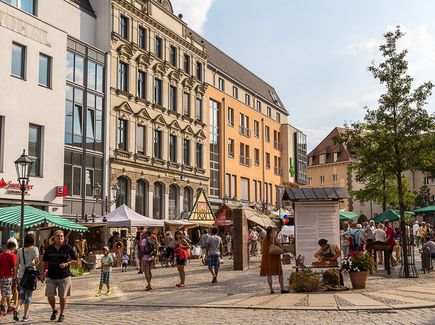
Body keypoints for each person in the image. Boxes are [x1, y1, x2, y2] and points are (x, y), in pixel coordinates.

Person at [43, 230, 77, 323]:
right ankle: (54, 310)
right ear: (54, 238)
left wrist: (67, 263)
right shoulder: (49, 248)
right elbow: (45, 261)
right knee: (50, 295)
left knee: (62, 296)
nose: (60, 237)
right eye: (58, 236)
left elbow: (75, 260)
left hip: (64, 276)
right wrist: (43, 272)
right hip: (51, 275)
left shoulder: (68, 248)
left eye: (61, 236)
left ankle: (62, 314)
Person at [14, 234, 40, 322]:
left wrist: (15, 276)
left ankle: (17, 308)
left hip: (21, 275)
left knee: (21, 294)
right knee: (28, 296)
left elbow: (16, 264)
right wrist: (35, 261)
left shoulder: (20, 250)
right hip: (30, 276)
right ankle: (25, 316)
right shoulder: (35, 249)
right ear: (33, 241)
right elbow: (37, 261)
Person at [260, 227, 288, 294]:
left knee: (269, 274)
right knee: (280, 274)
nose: (275, 232)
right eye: (274, 231)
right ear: (271, 232)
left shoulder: (264, 240)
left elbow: (263, 250)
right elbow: (281, 248)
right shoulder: (274, 239)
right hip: (275, 258)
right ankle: (282, 288)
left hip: (267, 259)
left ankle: (271, 289)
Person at [0, 241, 17, 317]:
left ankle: (9, 307)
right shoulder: (12, 255)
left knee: (6, 293)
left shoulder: (1, 255)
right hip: (8, 276)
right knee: (5, 293)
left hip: (1, 276)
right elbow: (14, 267)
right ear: (13, 248)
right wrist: (15, 276)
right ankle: (2, 308)